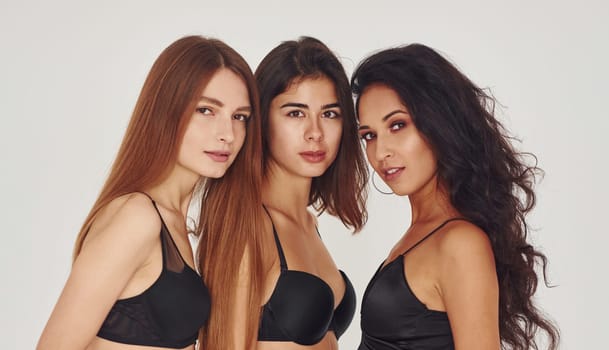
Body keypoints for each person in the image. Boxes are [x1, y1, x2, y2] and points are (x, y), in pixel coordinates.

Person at [36, 35, 261, 350]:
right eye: (206, 110)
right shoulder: (137, 216)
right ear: (166, 110)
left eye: (240, 117)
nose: (228, 134)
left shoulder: (177, 223)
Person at [351, 44, 560, 350]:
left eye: (398, 125)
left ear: (438, 123)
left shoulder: (460, 243)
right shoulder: (422, 233)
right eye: (369, 135)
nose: (381, 152)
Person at [197, 37, 368, 350]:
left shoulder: (308, 222)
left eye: (329, 114)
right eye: (295, 113)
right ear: (262, 120)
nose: (315, 132)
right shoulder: (249, 224)